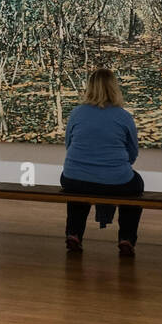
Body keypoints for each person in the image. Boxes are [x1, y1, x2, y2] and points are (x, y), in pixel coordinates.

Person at [60, 68, 142, 257]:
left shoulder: (77, 113)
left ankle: (74, 234)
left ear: (89, 87)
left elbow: (69, 144)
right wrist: (115, 167)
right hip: (116, 180)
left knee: (79, 188)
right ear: (114, 88)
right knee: (136, 187)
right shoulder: (123, 116)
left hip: (74, 177)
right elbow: (133, 152)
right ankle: (126, 238)